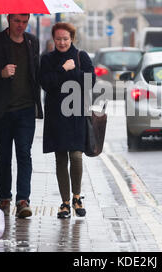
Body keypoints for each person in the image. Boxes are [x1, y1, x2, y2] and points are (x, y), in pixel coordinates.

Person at [0, 13, 43, 218]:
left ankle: (23, 200)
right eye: (17, 21)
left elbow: (37, 73)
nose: (21, 26)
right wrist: (1, 73)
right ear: (8, 19)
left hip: (25, 109)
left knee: (24, 153)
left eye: (24, 22)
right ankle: (4, 197)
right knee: (3, 155)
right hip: (2, 109)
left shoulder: (32, 42)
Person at [40, 22, 95, 219]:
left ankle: (77, 197)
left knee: (76, 156)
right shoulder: (47, 59)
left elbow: (90, 82)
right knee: (61, 159)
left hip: (77, 113)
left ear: (72, 38)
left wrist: (72, 71)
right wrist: (63, 69)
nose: (62, 43)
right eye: (58, 39)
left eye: (65, 39)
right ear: (53, 39)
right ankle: (64, 203)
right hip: (56, 115)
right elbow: (46, 83)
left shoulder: (81, 57)